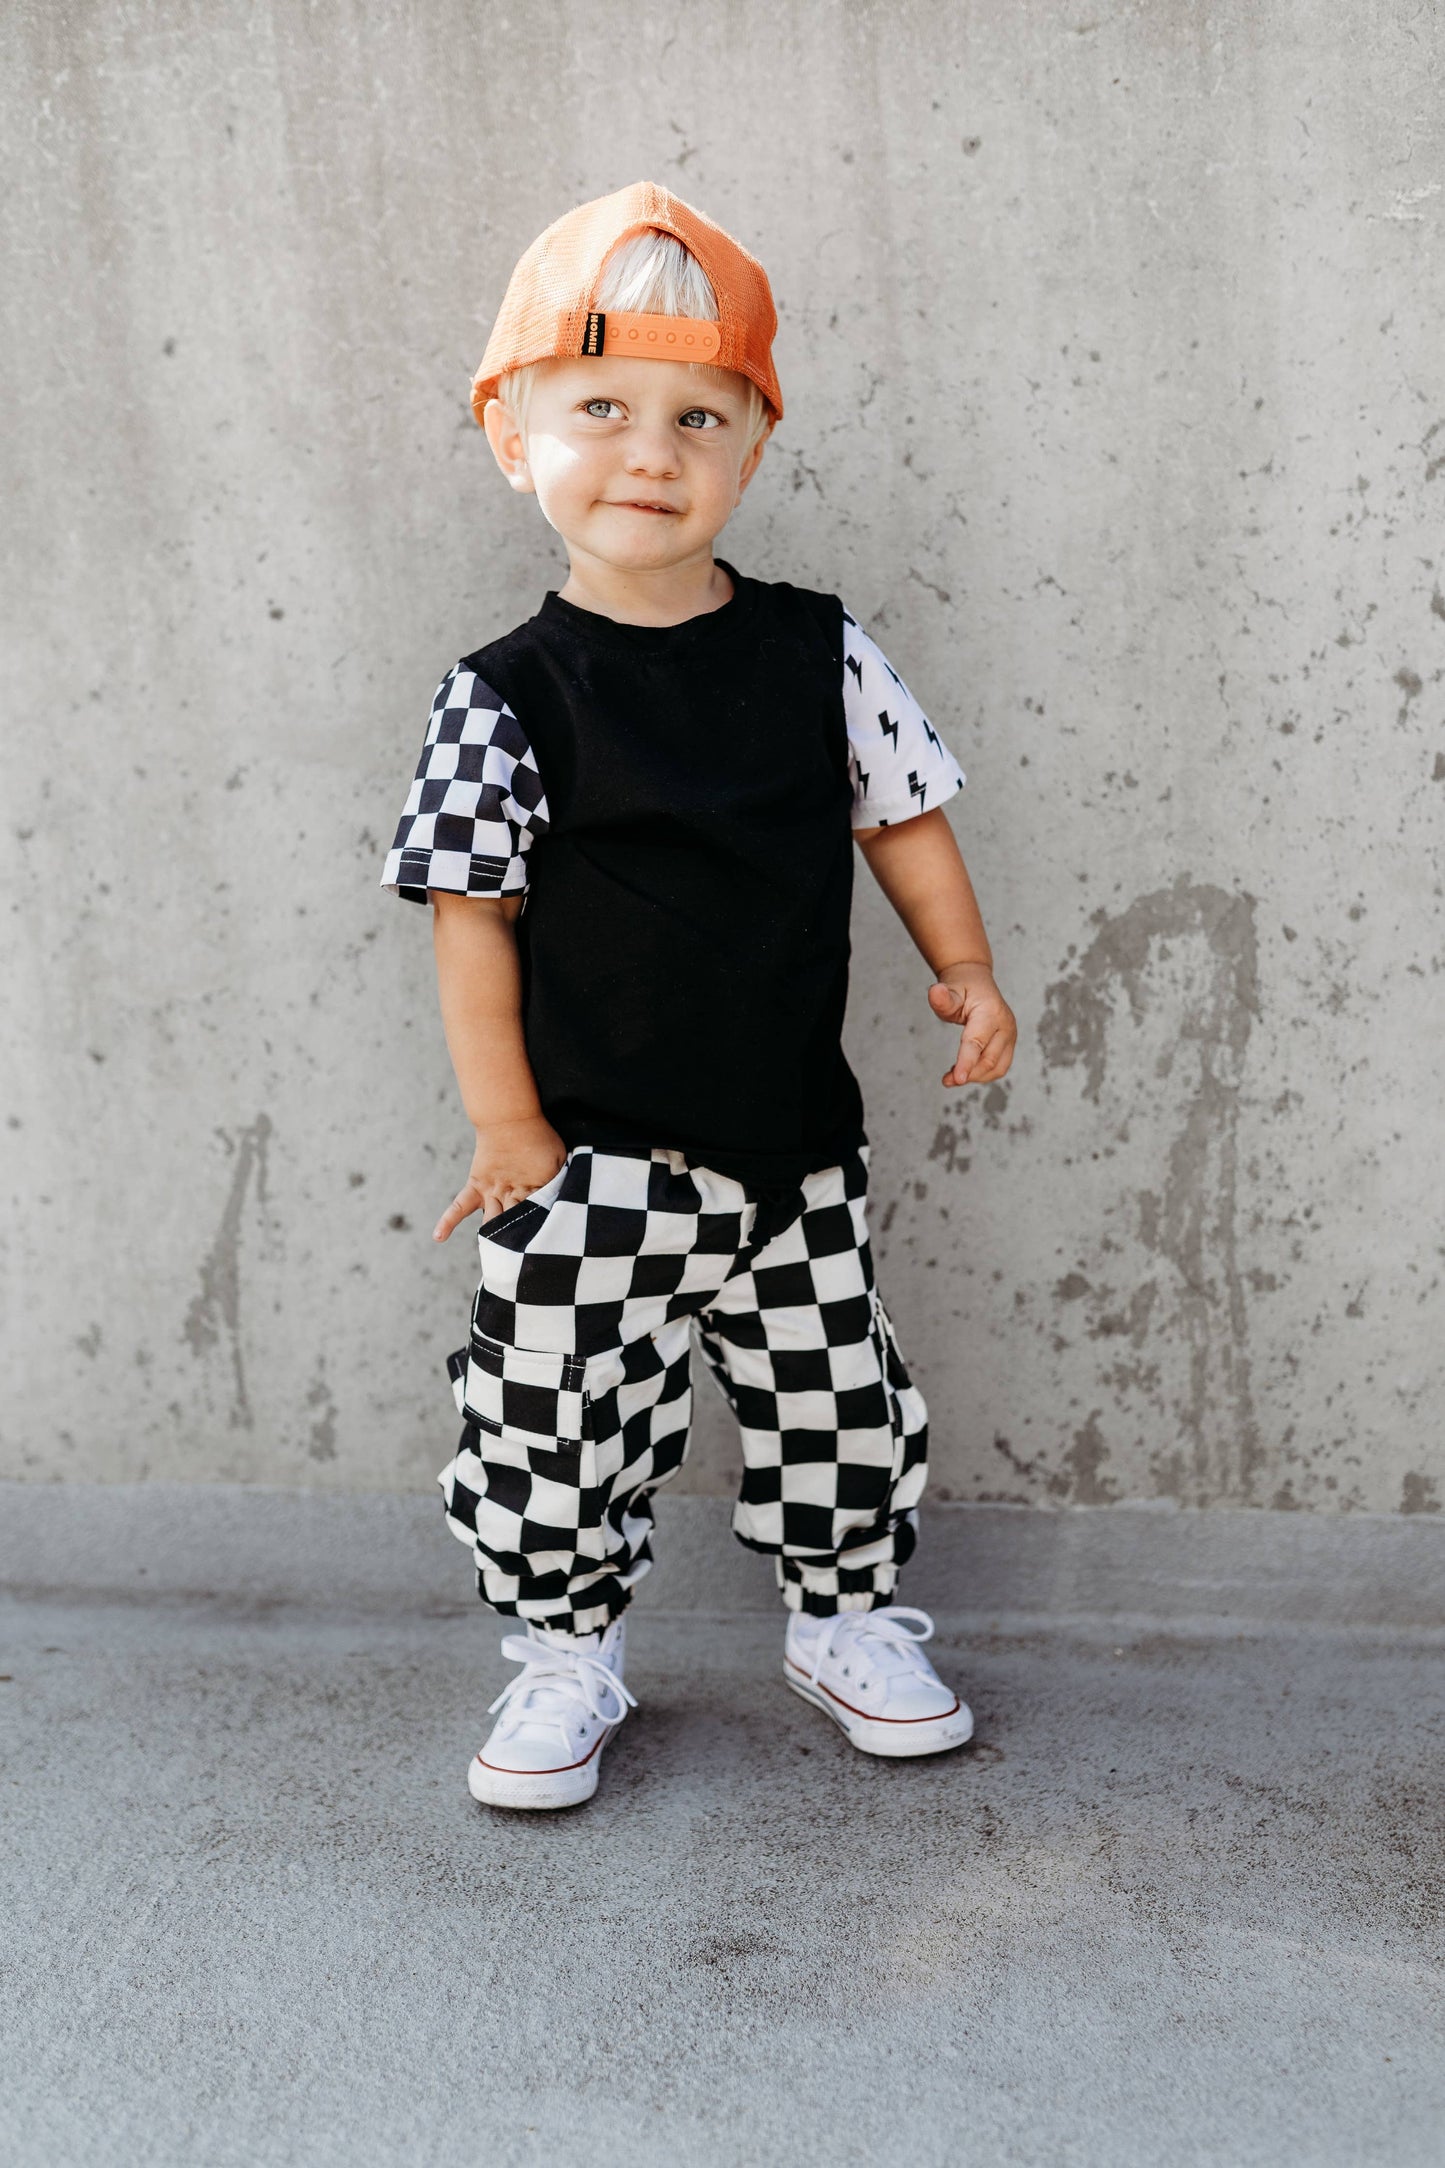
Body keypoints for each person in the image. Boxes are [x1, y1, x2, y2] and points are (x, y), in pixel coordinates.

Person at [380, 181, 1017, 1811]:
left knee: (839, 1401)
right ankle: (563, 1655)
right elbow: (471, 919)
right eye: (598, 409)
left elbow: (905, 813)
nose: (648, 451)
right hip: (590, 1160)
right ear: (511, 436)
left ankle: (845, 1617)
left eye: (696, 417)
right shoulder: (507, 695)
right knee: (554, 1417)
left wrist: (964, 966)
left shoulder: (817, 652)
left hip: (792, 1150)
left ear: (748, 450)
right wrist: (505, 1122)